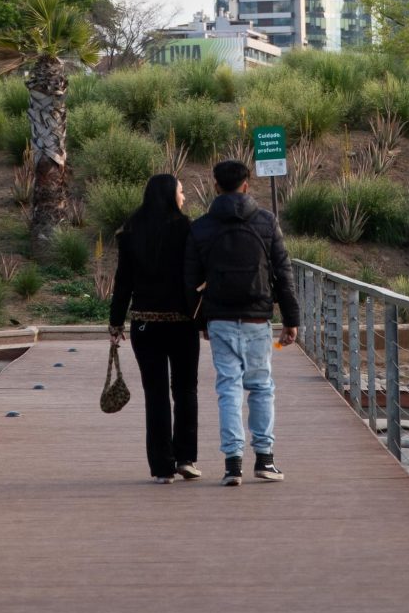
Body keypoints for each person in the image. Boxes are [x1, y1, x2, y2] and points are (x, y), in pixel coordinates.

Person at [184, 158, 298, 485]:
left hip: (219, 317)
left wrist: (200, 321)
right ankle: (265, 459)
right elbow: (284, 275)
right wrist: (291, 319)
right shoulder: (266, 221)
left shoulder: (201, 227)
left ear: (215, 186)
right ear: (247, 185)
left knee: (228, 388)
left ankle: (232, 464)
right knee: (261, 387)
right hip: (257, 317)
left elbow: (190, 280)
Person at [110, 173, 202, 482]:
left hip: (145, 324)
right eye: (181, 191)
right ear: (169, 195)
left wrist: (115, 322)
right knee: (186, 390)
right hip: (182, 324)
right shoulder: (187, 230)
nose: (184, 197)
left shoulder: (131, 232)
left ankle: (162, 466)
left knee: (156, 394)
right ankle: (186, 458)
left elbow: (122, 283)